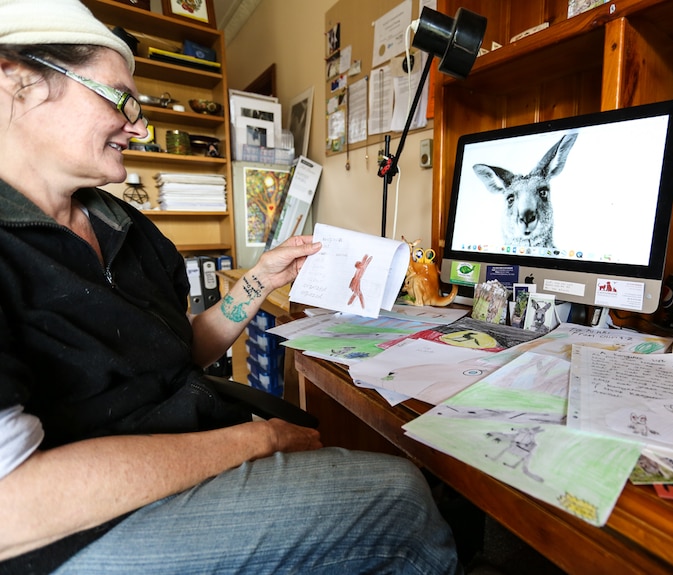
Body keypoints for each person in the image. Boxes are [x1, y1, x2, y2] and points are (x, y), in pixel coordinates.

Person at [0, 1, 461, 573]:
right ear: (17, 80)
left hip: (184, 442)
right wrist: (256, 441)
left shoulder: (127, 227)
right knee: (401, 495)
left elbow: (179, 349)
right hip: (78, 528)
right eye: (120, 99)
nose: (140, 126)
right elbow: (10, 511)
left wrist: (261, 279)